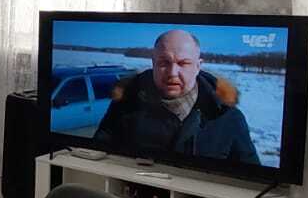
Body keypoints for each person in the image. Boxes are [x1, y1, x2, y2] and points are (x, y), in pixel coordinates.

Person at [92, 29, 260, 165]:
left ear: (198, 66)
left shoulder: (226, 116)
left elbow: (251, 178)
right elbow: (98, 157)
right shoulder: (125, 106)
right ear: (153, 63)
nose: (172, 73)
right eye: (164, 63)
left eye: (183, 63)